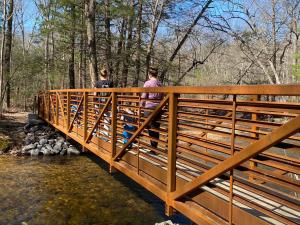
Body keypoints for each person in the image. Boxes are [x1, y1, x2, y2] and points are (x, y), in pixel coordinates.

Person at [141, 66, 163, 153]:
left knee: (150, 127)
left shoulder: (147, 83)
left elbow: (144, 97)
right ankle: (154, 148)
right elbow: (162, 97)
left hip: (149, 108)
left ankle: (153, 148)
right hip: (158, 108)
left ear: (149, 74)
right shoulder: (160, 84)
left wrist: (141, 106)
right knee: (156, 127)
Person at [94, 68, 114, 140]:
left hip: (99, 102)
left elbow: (95, 94)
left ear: (100, 75)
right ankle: (105, 135)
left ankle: (95, 132)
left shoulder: (97, 83)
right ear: (107, 74)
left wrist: (94, 100)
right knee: (107, 118)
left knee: (97, 117)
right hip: (108, 102)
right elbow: (112, 93)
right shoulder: (110, 82)